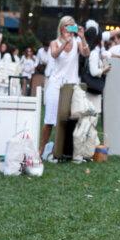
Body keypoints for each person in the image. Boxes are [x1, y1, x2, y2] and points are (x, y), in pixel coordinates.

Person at [40, 16, 89, 156]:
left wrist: (83, 37)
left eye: (72, 26)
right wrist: (64, 43)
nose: (69, 28)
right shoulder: (54, 43)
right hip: (55, 84)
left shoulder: (78, 41)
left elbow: (86, 53)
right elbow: (54, 55)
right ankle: (41, 150)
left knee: (69, 119)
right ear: (61, 28)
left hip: (72, 84)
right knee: (49, 120)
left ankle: (63, 150)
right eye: (67, 26)